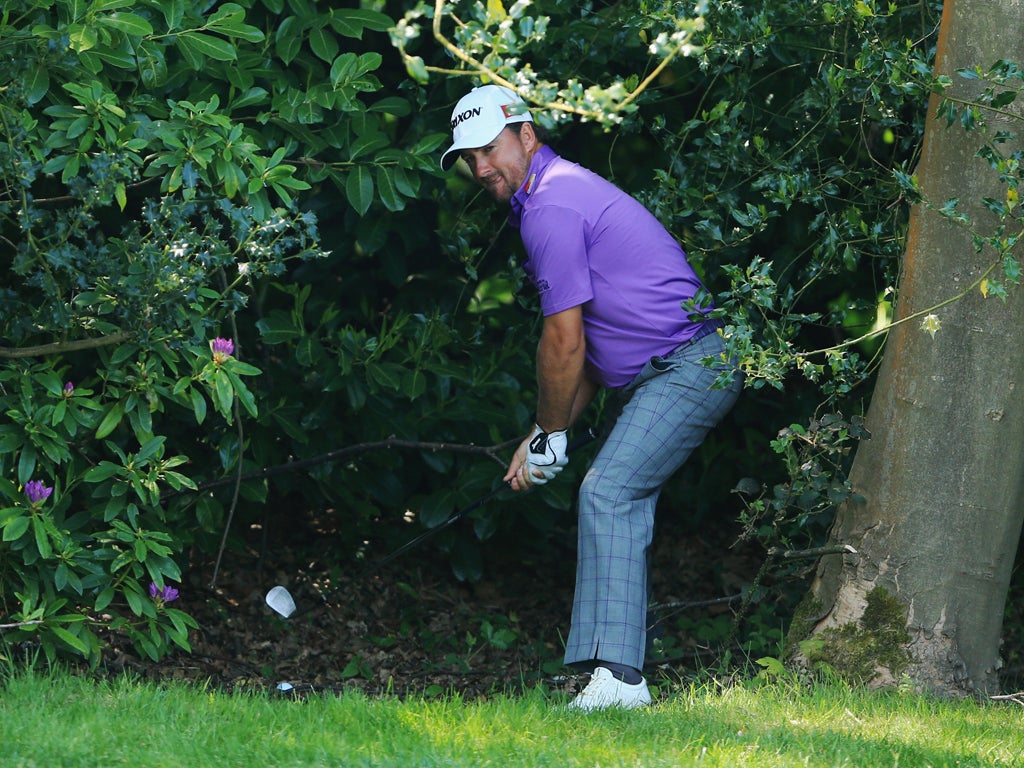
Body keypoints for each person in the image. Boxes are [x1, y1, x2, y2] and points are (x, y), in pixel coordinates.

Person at [441, 84, 742, 711]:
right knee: (613, 490)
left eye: (489, 150)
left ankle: (621, 683)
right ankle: (617, 676)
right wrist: (543, 432)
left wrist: (553, 435)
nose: (482, 168)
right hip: (673, 367)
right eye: (470, 158)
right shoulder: (547, 197)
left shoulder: (552, 205)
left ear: (526, 135)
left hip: (693, 364)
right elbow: (593, 352)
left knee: (609, 491)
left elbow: (563, 341)